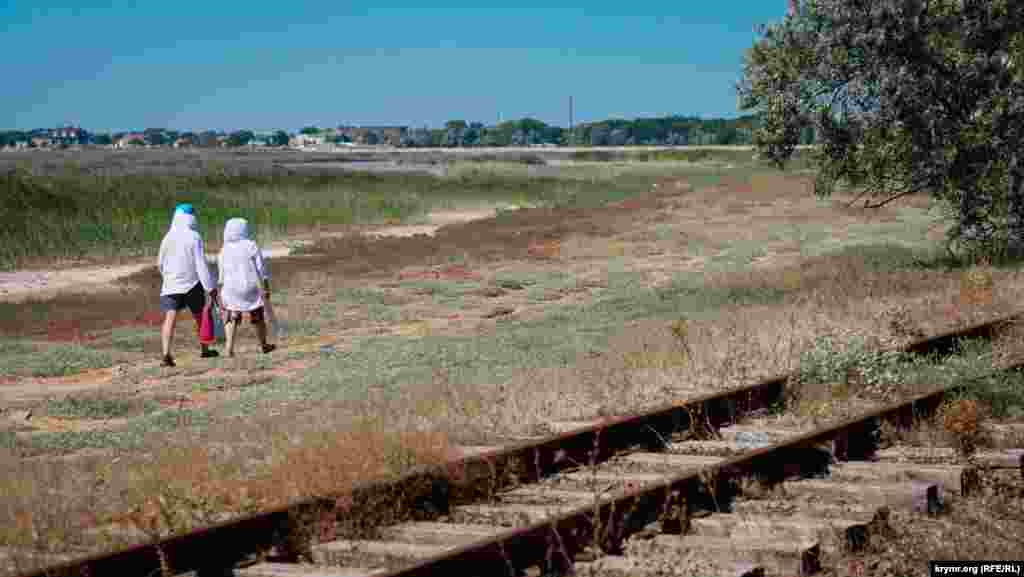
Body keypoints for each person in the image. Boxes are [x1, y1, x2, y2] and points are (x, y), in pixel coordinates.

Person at [158, 203, 219, 367]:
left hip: (171, 284)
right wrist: (210, 287)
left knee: (170, 318)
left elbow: (160, 263)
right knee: (200, 316)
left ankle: (166, 354)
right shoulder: (194, 236)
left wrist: (168, 278)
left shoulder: (167, 237)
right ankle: (205, 349)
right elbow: (201, 265)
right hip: (192, 284)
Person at [217, 217, 276, 357]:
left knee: (232, 315)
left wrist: (220, 292)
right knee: (257, 315)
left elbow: (221, 275)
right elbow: (261, 269)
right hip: (251, 287)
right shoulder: (251, 245)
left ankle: (229, 348)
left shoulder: (224, 250)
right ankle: (264, 345)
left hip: (231, 289)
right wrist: (266, 288)